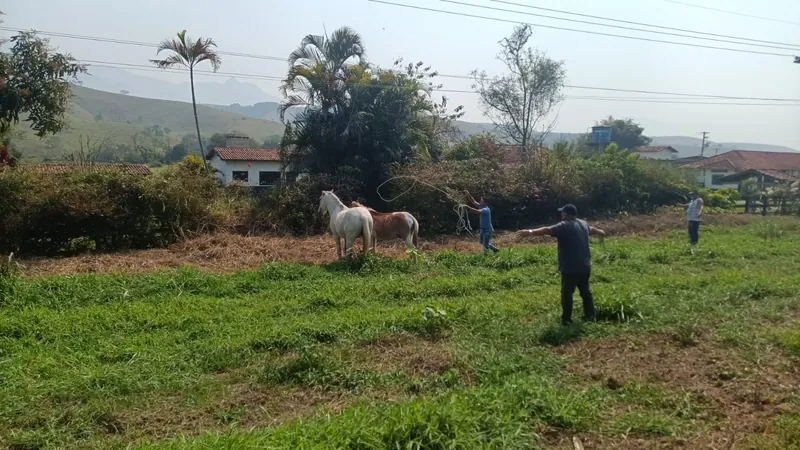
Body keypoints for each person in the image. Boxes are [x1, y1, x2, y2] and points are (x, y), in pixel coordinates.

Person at [518, 204, 605, 325]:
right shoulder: (583, 224)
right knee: (586, 292)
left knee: (567, 293)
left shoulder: (564, 225)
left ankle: (566, 320)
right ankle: (590, 317)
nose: (561, 214)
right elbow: (593, 229)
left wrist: (529, 232)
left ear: (567, 214)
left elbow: (547, 230)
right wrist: (601, 232)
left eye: (562, 213)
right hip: (585, 265)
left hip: (570, 267)